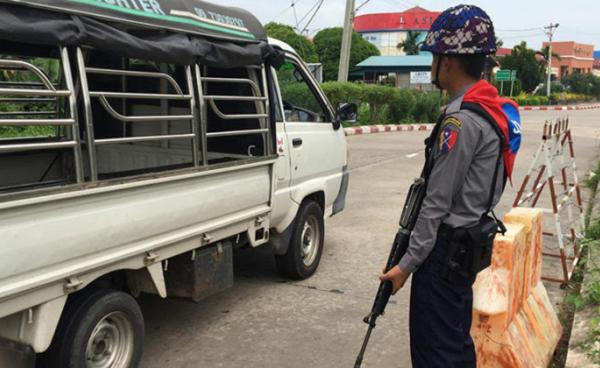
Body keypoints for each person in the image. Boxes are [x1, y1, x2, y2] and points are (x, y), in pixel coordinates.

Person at [379, 4, 522, 368]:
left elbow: (436, 202)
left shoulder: (460, 121)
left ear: (449, 61)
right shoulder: (491, 109)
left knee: (435, 354)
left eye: (435, 56)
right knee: (455, 345)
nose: (434, 65)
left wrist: (405, 266)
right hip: (467, 245)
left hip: (443, 252)